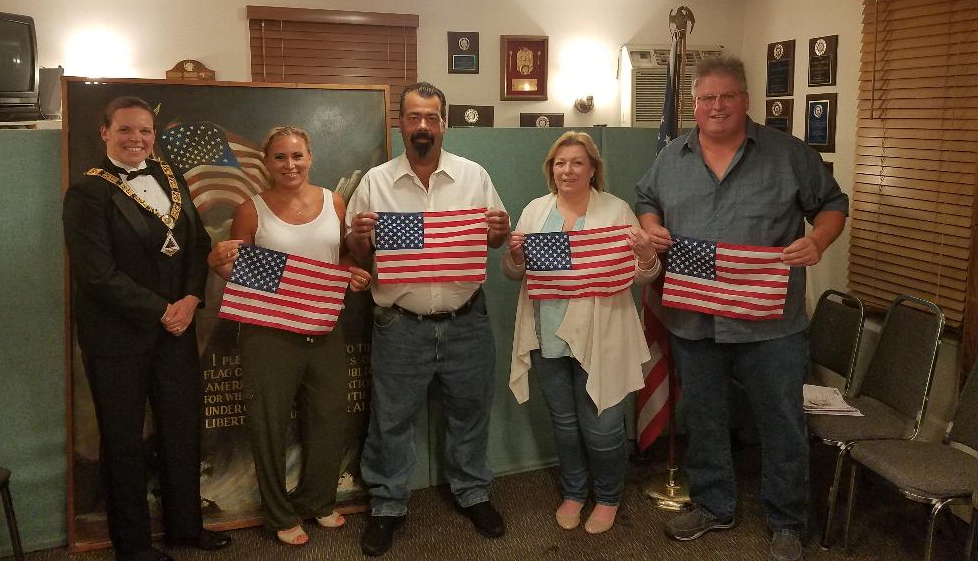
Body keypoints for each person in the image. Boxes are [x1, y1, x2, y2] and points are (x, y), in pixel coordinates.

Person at [635, 57, 848, 561]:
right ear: (694, 104)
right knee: (705, 417)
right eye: (706, 98)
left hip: (771, 322)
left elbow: (833, 203)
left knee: (781, 422)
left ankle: (787, 520)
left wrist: (818, 240)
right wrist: (651, 225)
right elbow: (646, 197)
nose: (717, 106)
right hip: (694, 317)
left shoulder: (788, 154)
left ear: (746, 100)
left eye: (727, 96)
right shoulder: (671, 157)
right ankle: (714, 506)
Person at [346, 82, 511, 557]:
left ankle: (473, 492)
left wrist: (499, 231)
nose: (423, 126)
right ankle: (387, 505)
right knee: (391, 419)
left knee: (470, 413)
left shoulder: (474, 176)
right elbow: (358, 251)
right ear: (400, 123)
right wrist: (360, 237)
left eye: (431, 117)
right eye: (414, 117)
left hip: (467, 321)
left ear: (444, 123)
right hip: (400, 325)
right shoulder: (375, 182)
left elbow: (494, 240)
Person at [63, 96, 231, 561]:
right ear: (105, 133)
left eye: (144, 130)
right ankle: (133, 546)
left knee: (181, 429)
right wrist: (162, 309)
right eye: (125, 130)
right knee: (123, 440)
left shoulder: (170, 177)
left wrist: (192, 298)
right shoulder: (86, 193)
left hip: (176, 329)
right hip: (117, 338)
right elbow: (97, 275)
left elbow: (197, 243)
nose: (136, 139)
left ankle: (185, 528)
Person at [207, 126, 371, 547]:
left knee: (330, 417)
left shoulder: (334, 202)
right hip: (268, 334)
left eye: (297, 155)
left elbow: (342, 256)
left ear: (310, 157)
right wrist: (217, 260)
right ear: (267, 162)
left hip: (324, 327)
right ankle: (279, 514)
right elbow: (237, 272)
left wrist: (352, 272)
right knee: (268, 423)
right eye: (280, 156)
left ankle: (319, 501)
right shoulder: (251, 209)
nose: (290, 164)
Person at [502, 131, 661, 534]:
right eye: (560, 163)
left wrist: (646, 255)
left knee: (603, 426)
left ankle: (607, 497)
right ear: (551, 169)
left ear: (592, 169)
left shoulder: (616, 211)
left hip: (601, 335)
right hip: (548, 333)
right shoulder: (535, 211)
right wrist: (516, 256)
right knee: (565, 423)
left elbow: (642, 276)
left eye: (576, 162)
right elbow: (515, 273)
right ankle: (574, 492)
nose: (567, 170)